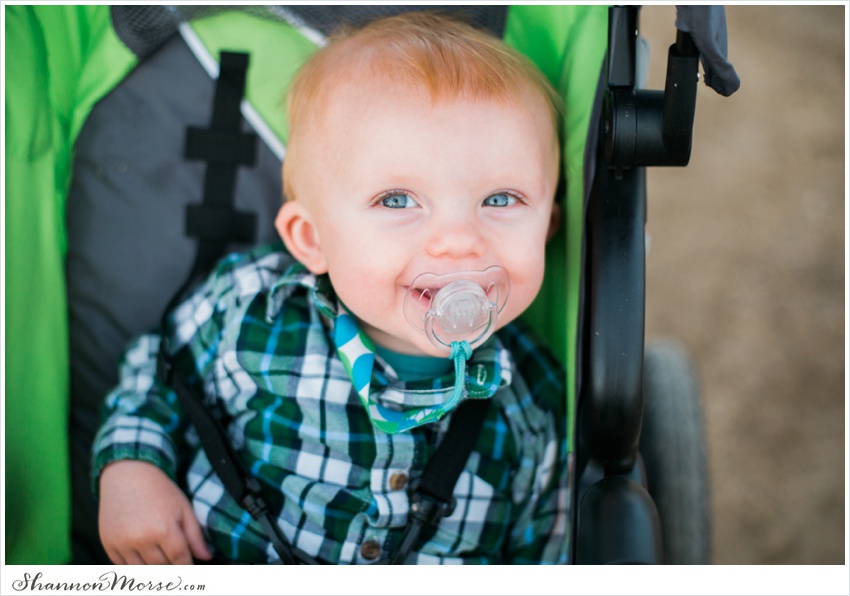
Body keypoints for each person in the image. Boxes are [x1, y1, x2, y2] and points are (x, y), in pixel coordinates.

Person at [92, 11, 568, 565]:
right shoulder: (250, 313)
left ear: (548, 228)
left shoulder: (535, 403)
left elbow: (545, 546)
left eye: (501, 200)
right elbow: (156, 369)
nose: (460, 242)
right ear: (311, 239)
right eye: (397, 201)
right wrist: (133, 468)